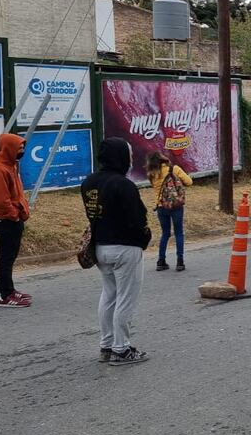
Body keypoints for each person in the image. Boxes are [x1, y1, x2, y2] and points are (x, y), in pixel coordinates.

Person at [81, 137, 152, 365]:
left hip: (101, 248)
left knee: (109, 296)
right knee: (126, 299)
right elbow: (137, 219)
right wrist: (144, 239)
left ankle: (107, 345)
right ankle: (121, 349)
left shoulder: (89, 183)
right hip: (125, 249)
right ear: (120, 156)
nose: (131, 160)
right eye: (129, 156)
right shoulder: (124, 185)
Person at [0, 133, 32, 308]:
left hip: (13, 218)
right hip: (5, 220)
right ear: (8, 148)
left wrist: (21, 213)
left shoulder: (11, 165)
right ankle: (5, 296)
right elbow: (1, 201)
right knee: (5, 258)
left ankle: (10, 290)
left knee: (10, 257)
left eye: (22, 148)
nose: (22, 151)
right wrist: (14, 215)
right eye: (19, 148)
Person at [146, 151, 193, 272]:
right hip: (176, 206)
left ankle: (161, 261)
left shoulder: (151, 174)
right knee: (179, 233)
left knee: (165, 233)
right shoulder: (174, 169)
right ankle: (180, 262)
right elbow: (189, 182)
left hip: (161, 207)